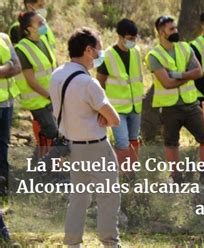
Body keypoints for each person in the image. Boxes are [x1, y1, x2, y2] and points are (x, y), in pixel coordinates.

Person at [49, 27, 121, 247]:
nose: (99, 55)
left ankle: (72, 243)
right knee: (108, 197)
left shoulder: (56, 75)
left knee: (78, 199)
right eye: (98, 50)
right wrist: (102, 115)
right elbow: (115, 119)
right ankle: (110, 243)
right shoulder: (89, 83)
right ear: (89, 50)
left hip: (71, 146)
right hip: (96, 147)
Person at [146, 16, 204, 183]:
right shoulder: (154, 55)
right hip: (169, 108)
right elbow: (167, 83)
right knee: (171, 143)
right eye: (171, 29)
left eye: (175, 28)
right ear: (161, 33)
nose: (176, 31)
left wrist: (178, 75)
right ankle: (177, 178)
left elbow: (199, 72)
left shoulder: (185, 47)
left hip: (191, 105)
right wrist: (188, 76)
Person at [96, 18, 144, 173]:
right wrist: (102, 109)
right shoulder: (108, 56)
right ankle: (123, 174)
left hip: (135, 106)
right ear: (120, 36)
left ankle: (132, 173)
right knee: (122, 143)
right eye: (129, 39)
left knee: (133, 141)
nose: (132, 42)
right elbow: (100, 83)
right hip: (117, 109)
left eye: (134, 38)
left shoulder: (136, 52)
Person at [15, 11, 57, 159]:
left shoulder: (43, 40)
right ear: (29, 28)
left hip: (50, 96)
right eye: (39, 23)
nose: (44, 25)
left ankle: (44, 166)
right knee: (52, 132)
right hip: (38, 100)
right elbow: (31, 81)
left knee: (55, 134)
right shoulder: (22, 49)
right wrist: (50, 96)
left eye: (44, 21)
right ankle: (43, 167)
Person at [0, 32, 22, 243]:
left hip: (7, 104)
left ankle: (4, 186)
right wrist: (5, 68)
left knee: (3, 149)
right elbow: (10, 67)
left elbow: (16, 67)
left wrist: (7, 68)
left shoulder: (4, 38)